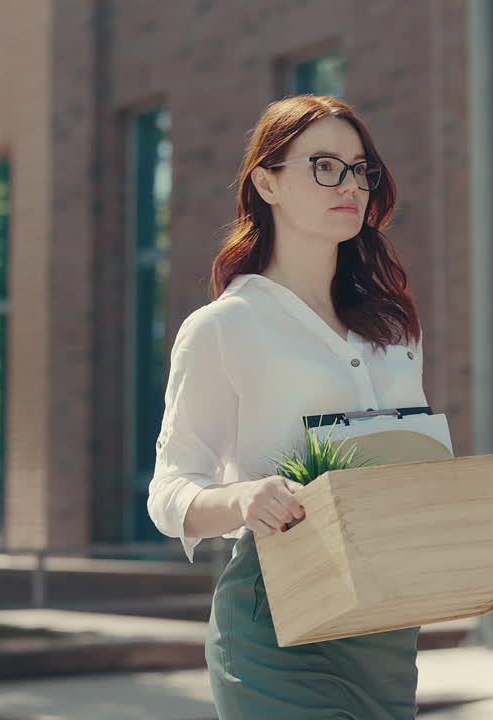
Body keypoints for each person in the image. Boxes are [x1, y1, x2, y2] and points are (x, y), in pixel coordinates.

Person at [146, 94, 427, 719]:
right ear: (266, 183)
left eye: (361, 169)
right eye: (324, 165)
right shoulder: (224, 327)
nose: (349, 183)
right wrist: (245, 499)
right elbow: (169, 493)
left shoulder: (392, 328)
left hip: (385, 619)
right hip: (274, 615)